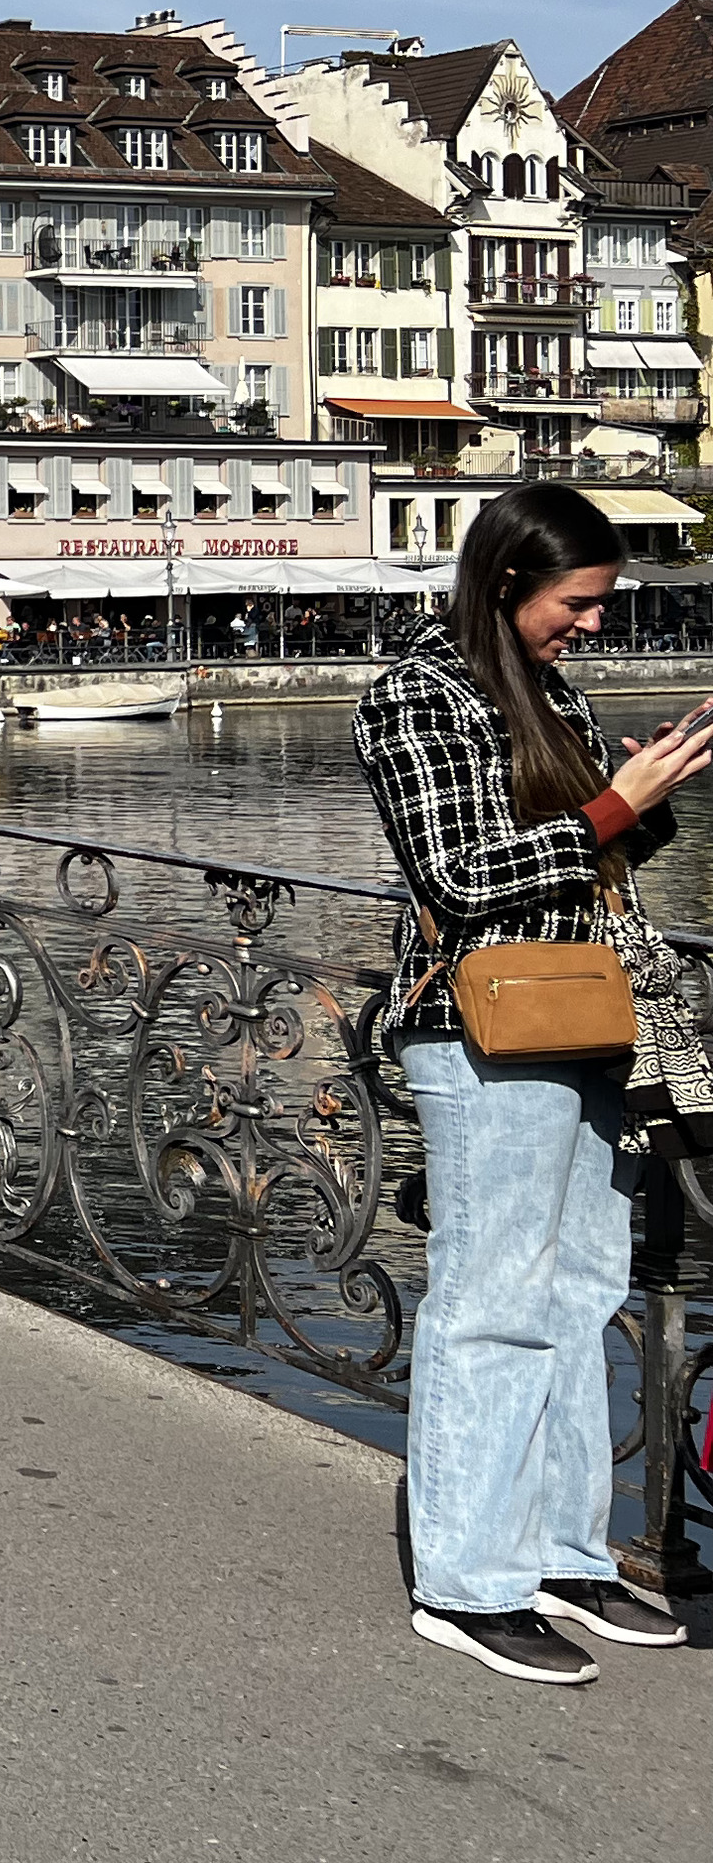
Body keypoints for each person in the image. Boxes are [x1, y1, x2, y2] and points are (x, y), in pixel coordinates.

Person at [356, 481, 710, 1680]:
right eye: (580, 602)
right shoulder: (413, 691)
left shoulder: (539, 684)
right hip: (478, 1022)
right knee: (493, 1298)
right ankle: (467, 1580)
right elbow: (459, 874)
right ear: (508, 581)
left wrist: (644, 802)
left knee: (578, 1291)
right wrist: (614, 803)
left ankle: (564, 1553)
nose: (594, 626)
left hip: (582, 1011)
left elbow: (574, 855)